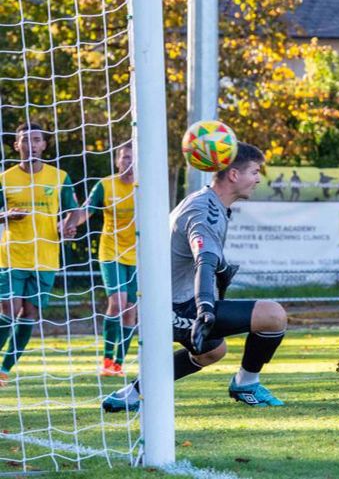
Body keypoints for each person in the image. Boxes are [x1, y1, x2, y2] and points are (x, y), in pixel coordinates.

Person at [102, 142, 287, 411]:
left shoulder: (207, 201)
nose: (258, 178)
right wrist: (206, 308)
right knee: (274, 315)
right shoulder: (205, 212)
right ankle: (246, 385)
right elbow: (205, 261)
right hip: (174, 307)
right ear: (234, 175)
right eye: (254, 172)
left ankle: (132, 393)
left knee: (212, 352)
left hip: (172, 300)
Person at [0, 123, 79, 387]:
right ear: (16, 145)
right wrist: (6, 215)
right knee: (9, 308)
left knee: (30, 313)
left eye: (36, 140)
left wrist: (68, 225)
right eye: (25, 140)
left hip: (45, 256)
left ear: (44, 144)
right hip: (11, 255)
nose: (31, 145)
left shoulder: (60, 177)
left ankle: (5, 368)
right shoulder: (5, 178)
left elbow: (73, 210)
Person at [74, 143, 137, 377]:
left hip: (138, 255)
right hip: (111, 251)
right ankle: (107, 360)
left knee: (131, 310)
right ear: (117, 161)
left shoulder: (145, 187)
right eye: (124, 158)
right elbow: (86, 210)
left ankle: (118, 364)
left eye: (132, 158)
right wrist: (69, 224)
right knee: (118, 305)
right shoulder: (105, 185)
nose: (128, 163)